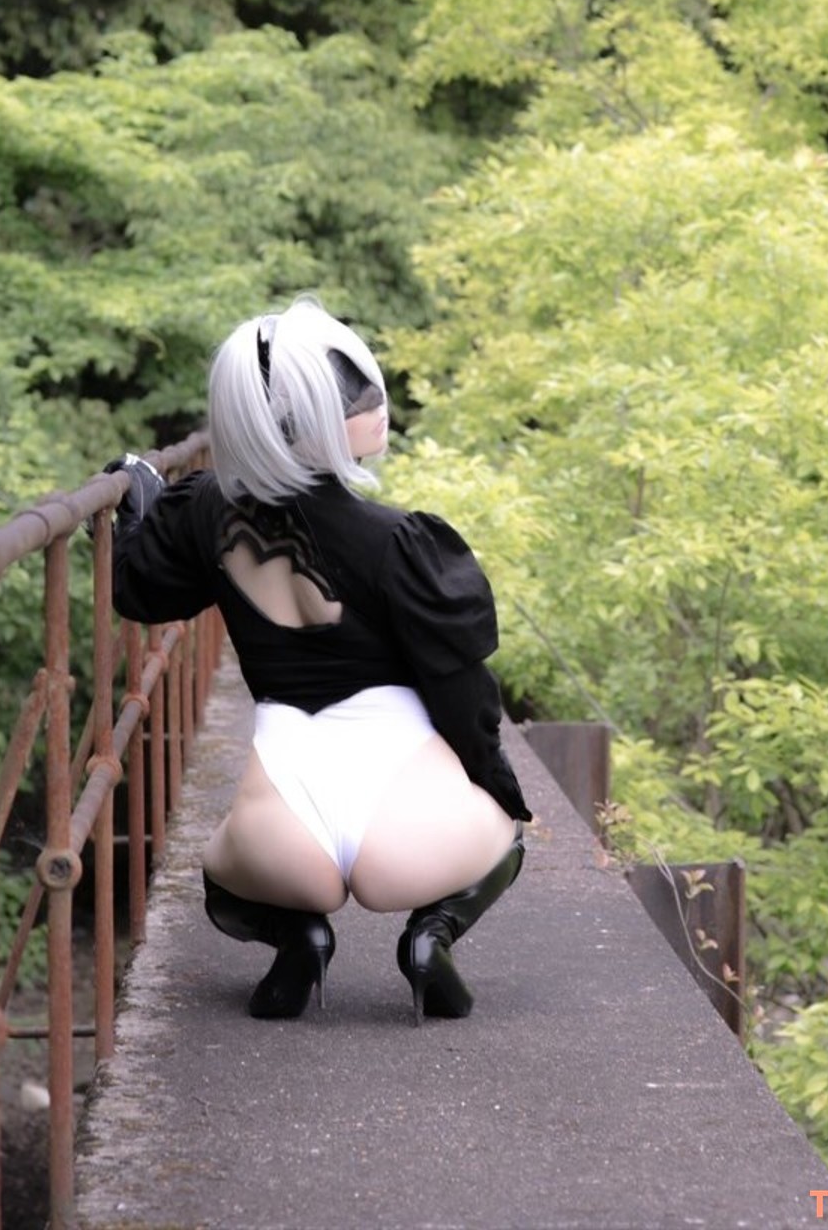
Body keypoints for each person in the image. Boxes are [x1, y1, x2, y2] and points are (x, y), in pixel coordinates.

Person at [101, 296, 530, 1024]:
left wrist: (141, 502)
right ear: (307, 424)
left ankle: (297, 936)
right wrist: (489, 775)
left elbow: (141, 590)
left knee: (219, 875)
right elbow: (465, 695)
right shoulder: (396, 540)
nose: (377, 407)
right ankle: (431, 937)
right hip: (408, 824)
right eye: (355, 397)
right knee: (507, 829)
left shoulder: (206, 511)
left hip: (281, 828)